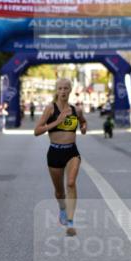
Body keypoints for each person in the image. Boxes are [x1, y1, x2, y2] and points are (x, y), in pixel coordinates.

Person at [34, 78, 87, 237]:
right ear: (56, 91)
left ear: (70, 90)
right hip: (55, 152)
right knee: (59, 191)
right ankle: (63, 209)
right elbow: (36, 131)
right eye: (60, 88)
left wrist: (83, 127)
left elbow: (83, 123)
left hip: (72, 152)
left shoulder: (76, 110)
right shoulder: (50, 109)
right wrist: (57, 121)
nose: (63, 91)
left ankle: (70, 223)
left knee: (71, 183)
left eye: (66, 88)